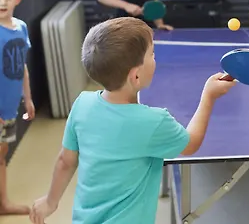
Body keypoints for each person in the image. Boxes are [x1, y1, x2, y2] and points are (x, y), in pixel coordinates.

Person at [29, 17, 236, 224]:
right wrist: (208, 96)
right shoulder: (154, 122)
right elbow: (191, 144)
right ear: (135, 76)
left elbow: (65, 161)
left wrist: (50, 202)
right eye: (152, 54)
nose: (155, 58)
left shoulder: (82, 104)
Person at [0, 0, 35, 216]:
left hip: (9, 110)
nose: (2, 2)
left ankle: (3, 203)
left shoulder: (20, 28)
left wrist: (28, 98)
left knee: (1, 155)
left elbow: (21, 66)